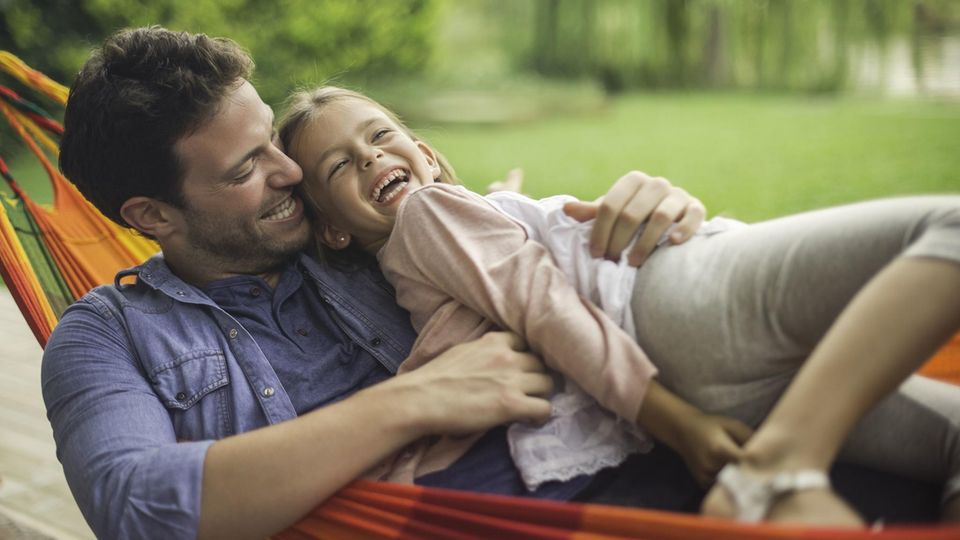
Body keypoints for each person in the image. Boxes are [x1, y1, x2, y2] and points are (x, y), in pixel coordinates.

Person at [43, 27, 710, 539]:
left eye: (274, 139)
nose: (291, 172)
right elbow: (135, 504)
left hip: (610, 472)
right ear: (152, 215)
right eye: (248, 168)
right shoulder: (105, 337)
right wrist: (415, 400)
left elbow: (499, 240)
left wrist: (642, 211)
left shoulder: (356, 233)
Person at [276, 85, 960, 525]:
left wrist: (505, 194)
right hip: (677, 310)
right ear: (333, 229)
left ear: (422, 150)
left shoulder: (436, 235)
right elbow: (542, 304)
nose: (368, 158)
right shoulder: (428, 212)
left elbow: (497, 256)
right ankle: (783, 467)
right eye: (338, 166)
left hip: (707, 370)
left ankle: (784, 460)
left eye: (378, 134)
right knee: (949, 227)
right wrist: (678, 421)